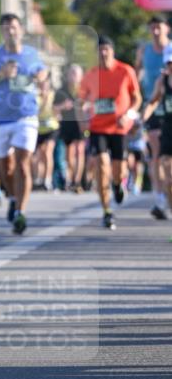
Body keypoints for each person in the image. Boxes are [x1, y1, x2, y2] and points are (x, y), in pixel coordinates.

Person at [0, 14, 47, 234]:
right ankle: (12, 196)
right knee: (5, 167)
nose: (11, 31)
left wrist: (41, 75)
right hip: (0, 117)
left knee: (22, 164)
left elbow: (42, 71)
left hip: (26, 116)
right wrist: (1, 74)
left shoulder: (31, 53)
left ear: (21, 30)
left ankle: (21, 212)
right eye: (6, 27)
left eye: (14, 27)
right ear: (1, 31)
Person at [79, 36, 141, 230]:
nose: (103, 53)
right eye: (100, 50)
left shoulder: (125, 71)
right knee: (101, 165)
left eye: (106, 49)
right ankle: (107, 211)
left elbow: (136, 98)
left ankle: (117, 185)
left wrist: (129, 114)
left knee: (118, 169)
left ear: (112, 51)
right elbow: (81, 100)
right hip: (98, 127)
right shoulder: (90, 75)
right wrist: (84, 109)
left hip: (119, 127)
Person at [136, 15, 171, 219]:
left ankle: (166, 191)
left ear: (166, 28)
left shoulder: (170, 49)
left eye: (159, 27)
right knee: (157, 153)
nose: (155, 31)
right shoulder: (144, 50)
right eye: (152, 28)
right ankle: (160, 196)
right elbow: (136, 72)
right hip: (154, 103)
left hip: (168, 107)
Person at [141, 47, 172, 214]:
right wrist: (143, 117)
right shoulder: (163, 80)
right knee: (168, 175)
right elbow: (153, 101)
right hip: (168, 126)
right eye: (169, 62)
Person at [53, 63, 87, 193]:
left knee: (80, 150)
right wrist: (63, 106)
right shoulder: (61, 91)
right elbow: (54, 109)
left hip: (81, 123)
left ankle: (77, 181)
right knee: (69, 154)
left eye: (76, 74)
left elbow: (91, 103)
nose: (73, 76)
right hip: (67, 124)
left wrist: (84, 106)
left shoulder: (84, 90)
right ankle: (72, 178)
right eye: (71, 73)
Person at [33, 76, 60, 191]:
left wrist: (58, 110)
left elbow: (56, 110)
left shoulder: (53, 95)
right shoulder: (35, 96)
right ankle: (38, 178)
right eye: (42, 85)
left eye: (46, 85)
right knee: (38, 155)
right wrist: (43, 100)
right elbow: (35, 111)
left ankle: (47, 179)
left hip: (51, 128)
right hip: (38, 129)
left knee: (47, 152)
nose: (44, 87)